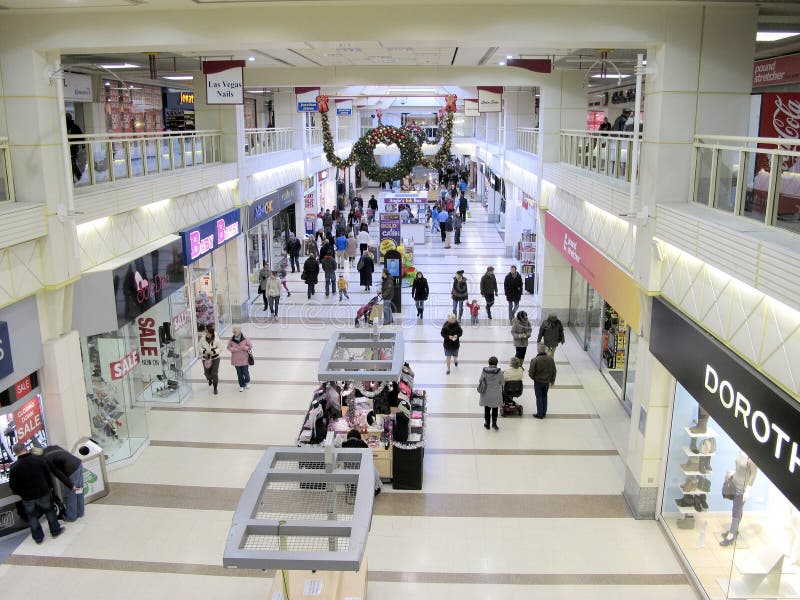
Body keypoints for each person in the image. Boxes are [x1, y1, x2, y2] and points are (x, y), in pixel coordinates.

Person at [8, 444, 64, 544]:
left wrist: (21, 494)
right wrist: (50, 488)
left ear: (15, 453)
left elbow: (13, 485)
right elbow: (48, 475)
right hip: (43, 492)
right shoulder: (38, 460)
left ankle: (38, 538)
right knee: (50, 511)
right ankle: (55, 531)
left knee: (32, 517)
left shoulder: (14, 467)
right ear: (25, 448)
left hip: (27, 497)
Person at [720, 452, 758, 547]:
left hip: (742, 488)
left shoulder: (752, 459)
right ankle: (734, 530)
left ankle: (731, 535)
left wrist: (748, 490)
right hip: (734, 483)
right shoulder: (741, 451)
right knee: (737, 509)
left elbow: (753, 475)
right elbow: (739, 467)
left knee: (736, 510)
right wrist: (732, 473)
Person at [41, 445, 84, 522]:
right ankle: (80, 512)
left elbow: (58, 474)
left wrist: (70, 485)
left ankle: (71, 517)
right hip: (78, 464)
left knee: (70, 494)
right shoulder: (51, 447)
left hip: (71, 471)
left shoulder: (46, 460)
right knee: (79, 490)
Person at [341, 429, 382, 496]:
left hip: (349, 471)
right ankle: (370, 489)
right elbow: (368, 458)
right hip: (363, 471)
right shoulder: (362, 444)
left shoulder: (344, 444)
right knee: (372, 468)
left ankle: (354, 488)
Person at [529, 343, 557, 419]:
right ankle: (544, 413)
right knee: (545, 396)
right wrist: (552, 380)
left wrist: (535, 378)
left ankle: (540, 414)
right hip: (546, 382)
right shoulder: (550, 359)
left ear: (538, 350)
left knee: (539, 397)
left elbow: (531, 373)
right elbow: (554, 370)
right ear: (544, 350)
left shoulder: (535, 360)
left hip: (538, 382)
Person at [478, 356, 504, 431]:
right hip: (496, 394)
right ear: (496, 363)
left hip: (486, 394)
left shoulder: (484, 370)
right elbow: (502, 382)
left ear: (489, 363)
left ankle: (487, 423)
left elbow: (480, 380)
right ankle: (494, 423)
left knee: (487, 409)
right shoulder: (499, 371)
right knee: (495, 409)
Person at [227, 326, 253, 392]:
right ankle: (242, 385)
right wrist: (233, 349)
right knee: (239, 373)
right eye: (233, 332)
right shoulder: (231, 339)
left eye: (235, 332)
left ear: (239, 331)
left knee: (245, 373)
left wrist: (245, 348)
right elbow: (228, 347)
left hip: (244, 358)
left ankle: (247, 381)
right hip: (236, 359)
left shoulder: (245, 337)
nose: (234, 333)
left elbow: (250, 346)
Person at [200, 325, 221, 395]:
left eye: (208, 333)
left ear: (211, 333)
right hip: (205, 358)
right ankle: (209, 379)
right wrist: (204, 351)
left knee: (214, 373)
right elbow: (199, 346)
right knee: (207, 373)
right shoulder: (203, 338)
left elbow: (220, 348)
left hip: (215, 358)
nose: (206, 334)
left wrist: (214, 351)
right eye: (206, 332)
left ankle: (215, 388)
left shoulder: (216, 339)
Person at [66, 113, 85, 183]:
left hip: (71, 148)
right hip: (73, 148)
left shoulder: (66, 127)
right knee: (71, 163)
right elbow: (81, 137)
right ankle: (77, 177)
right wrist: (82, 145)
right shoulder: (74, 126)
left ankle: (77, 177)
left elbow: (81, 137)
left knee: (71, 163)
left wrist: (82, 145)